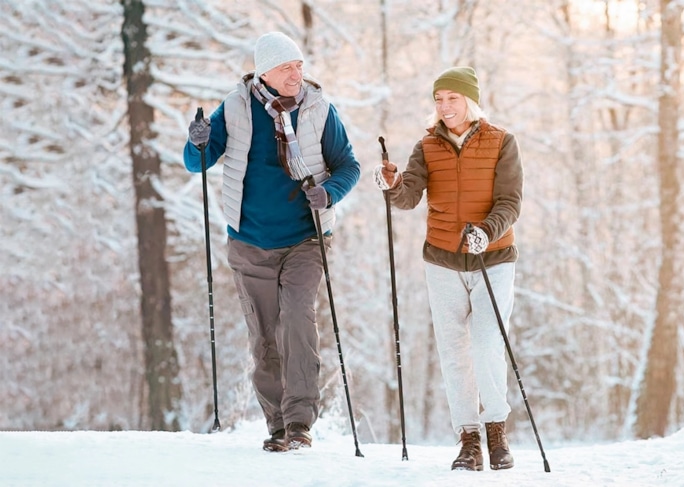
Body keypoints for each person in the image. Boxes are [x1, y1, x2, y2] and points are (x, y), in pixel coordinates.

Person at [184, 32, 361, 452]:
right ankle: (278, 426)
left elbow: (348, 165)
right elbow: (199, 164)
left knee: (298, 322)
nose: (296, 74)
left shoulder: (318, 109)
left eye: (299, 66)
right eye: (287, 68)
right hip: (249, 242)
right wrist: (196, 142)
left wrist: (329, 192)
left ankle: (300, 423)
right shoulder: (237, 108)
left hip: (306, 238)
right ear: (265, 72)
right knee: (263, 337)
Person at [373, 66, 523, 471]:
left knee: (488, 342)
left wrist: (486, 232)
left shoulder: (502, 142)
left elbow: (510, 202)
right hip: (441, 260)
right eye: (438, 99)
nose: (444, 106)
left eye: (452, 99)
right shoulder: (427, 147)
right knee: (454, 350)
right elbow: (408, 198)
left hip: (492, 259)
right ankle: (469, 438)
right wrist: (392, 185)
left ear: (469, 100)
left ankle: (496, 427)